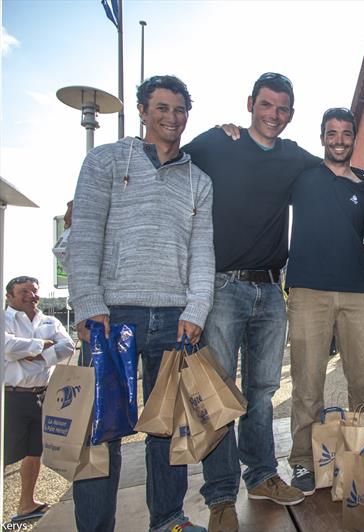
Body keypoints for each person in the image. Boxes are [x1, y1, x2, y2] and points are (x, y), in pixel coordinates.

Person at [66, 75, 214, 532]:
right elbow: (85, 235)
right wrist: (88, 302)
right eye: (162, 108)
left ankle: (168, 519)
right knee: (100, 431)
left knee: (166, 428)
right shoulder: (105, 160)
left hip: (174, 319)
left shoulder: (199, 181)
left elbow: (202, 253)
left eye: (180, 110)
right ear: (142, 110)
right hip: (112, 316)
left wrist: (196, 310)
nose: (172, 118)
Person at [183, 72, 318, 531]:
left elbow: (335, 167)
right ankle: (220, 496)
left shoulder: (293, 156)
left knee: (261, 393)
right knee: (219, 394)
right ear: (249, 104)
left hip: (270, 290)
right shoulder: (219, 143)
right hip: (223, 287)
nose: (274, 116)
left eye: (282, 109)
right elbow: (168, 159)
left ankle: (261, 475)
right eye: (266, 105)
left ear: (291, 114)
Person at [286, 107, 364, 494]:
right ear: (322, 137)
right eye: (332, 133)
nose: (339, 140)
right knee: (308, 384)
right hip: (308, 291)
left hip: (358, 293)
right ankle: (302, 462)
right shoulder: (302, 176)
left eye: (346, 133)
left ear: (353, 137)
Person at [4, 276, 74, 524]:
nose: (31, 296)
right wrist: (43, 344)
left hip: (42, 396)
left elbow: (68, 346)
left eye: (34, 291)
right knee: (6, 455)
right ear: (9, 296)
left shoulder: (50, 320)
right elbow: (8, 347)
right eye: (23, 291)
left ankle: (26, 505)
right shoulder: (5, 320)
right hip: (11, 399)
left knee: (34, 452)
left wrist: (38, 356)